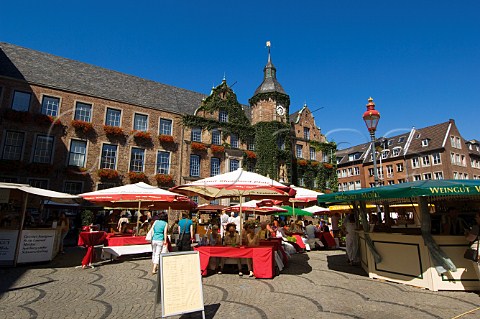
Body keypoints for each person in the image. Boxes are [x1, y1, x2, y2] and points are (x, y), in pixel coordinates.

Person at [465, 212, 480, 277]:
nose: (475, 219)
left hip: (478, 251)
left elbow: (470, 238)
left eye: (477, 217)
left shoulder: (476, 227)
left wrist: (466, 234)